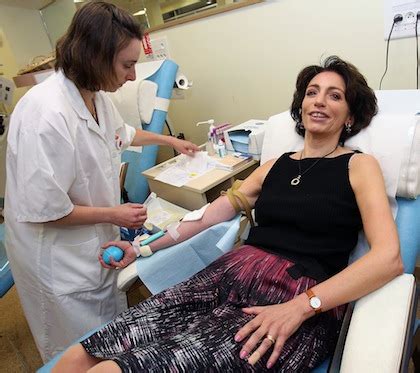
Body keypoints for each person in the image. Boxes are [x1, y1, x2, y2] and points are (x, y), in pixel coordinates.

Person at [54, 56, 402, 372]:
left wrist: (302, 306)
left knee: (115, 371)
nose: (320, 101)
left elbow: (388, 258)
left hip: (295, 296)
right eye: (313, 92)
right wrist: (143, 247)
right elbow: (205, 216)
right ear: (302, 104)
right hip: (226, 276)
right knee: (81, 357)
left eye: (335, 95)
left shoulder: (359, 166)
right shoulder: (273, 167)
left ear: (351, 115)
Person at [4, 1, 198, 363]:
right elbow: (46, 210)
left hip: (91, 247)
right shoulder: (45, 114)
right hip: (57, 259)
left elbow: (122, 134)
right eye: (127, 65)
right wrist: (116, 214)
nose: (132, 77)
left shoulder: (93, 96)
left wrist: (171, 142)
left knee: (105, 338)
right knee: (71, 351)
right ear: (95, 56)